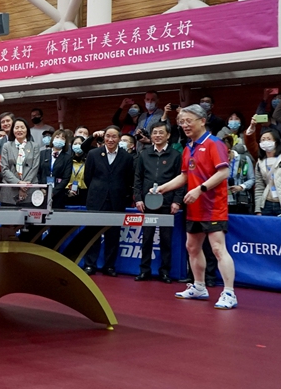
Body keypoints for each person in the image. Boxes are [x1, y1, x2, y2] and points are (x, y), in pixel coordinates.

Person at [153, 104, 238, 309]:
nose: (184, 125)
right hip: (195, 208)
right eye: (182, 122)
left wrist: (200, 189)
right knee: (192, 247)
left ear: (202, 120)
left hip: (213, 206)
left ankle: (229, 293)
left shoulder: (214, 144)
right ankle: (199, 287)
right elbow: (184, 176)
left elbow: (223, 173)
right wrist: (163, 188)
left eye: (188, 121)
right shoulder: (188, 148)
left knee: (218, 248)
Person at [81, 126, 135, 276]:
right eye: (108, 136)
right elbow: (88, 177)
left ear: (119, 139)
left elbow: (129, 179)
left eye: (114, 137)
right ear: (104, 137)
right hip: (96, 199)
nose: (110, 140)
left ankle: (109, 266)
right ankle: (90, 264)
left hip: (116, 200)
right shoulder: (93, 154)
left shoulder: (127, 157)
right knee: (92, 234)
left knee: (113, 235)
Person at [133, 122, 183, 282]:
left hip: (167, 204)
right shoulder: (144, 154)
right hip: (147, 203)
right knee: (146, 238)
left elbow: (181, 180)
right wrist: (138, 198)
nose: (157, 135)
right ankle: (144, 270)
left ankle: (165, 272)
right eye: (155, 133)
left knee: (166, 239)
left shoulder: (175, 155)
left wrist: (177, 201)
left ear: (168, 135)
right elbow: (138, 178)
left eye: (161, 133)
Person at [254, 128, 281, 216]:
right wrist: (258, 208)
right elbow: (259, 186)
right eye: (262, 140)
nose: (265, 142)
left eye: (269, 139)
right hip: (266, 204)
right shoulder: (260, 162)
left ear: (276, 141)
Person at [0, 117, 41, 207]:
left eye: (22, 127)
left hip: (29, 188)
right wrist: (18, 183)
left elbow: (35, 167)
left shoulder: (35, 146)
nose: (19, 130)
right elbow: (4, 168)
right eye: (17, 127)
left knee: (28, 219)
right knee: (9, 219)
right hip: (10, 189)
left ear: (27, 130)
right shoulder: (7, 146)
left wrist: (24, 186)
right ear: (13, 130)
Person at [227, 141, 255, 216]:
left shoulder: (244, 159)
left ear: (229, 151)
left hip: (242, 199)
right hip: (225, 201)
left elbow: (252, 179)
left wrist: (241, 186)